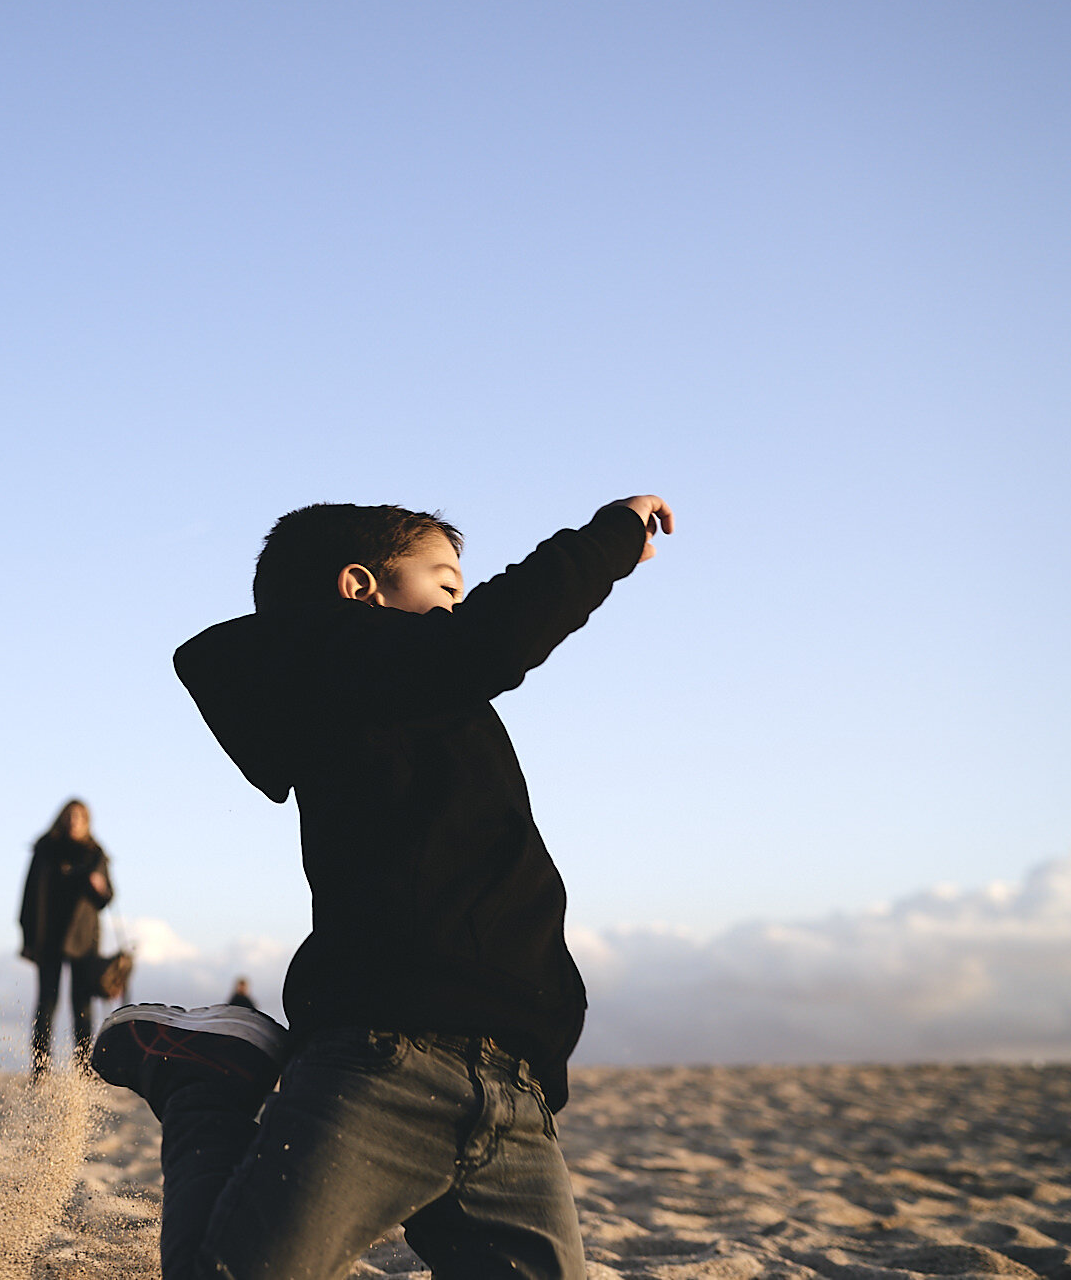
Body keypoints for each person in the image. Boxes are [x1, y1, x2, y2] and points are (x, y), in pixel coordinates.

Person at [90, 494, 674, 1280]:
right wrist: (608, 539)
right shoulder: (342, 663)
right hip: (384, 1064)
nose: (457, 605)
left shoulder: (416, 696)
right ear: (359, 587)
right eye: (446, 584)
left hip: (515, 1090)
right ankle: (203, 1087)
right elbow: (493, 640)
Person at [18, 798, 114, 1071]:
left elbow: (108, 897)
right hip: (48, 936)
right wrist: (27, 937)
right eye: (69, 817)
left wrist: (99, 887)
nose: (74, 822)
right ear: (61, 818)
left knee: (82, 1005)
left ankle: (84, 1066)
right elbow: (28, 895)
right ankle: (40, 1067)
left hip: (84, 939)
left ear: (86, 822)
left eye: (79, 818)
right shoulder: (45, 850)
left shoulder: (95, 854)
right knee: (46, 1003)